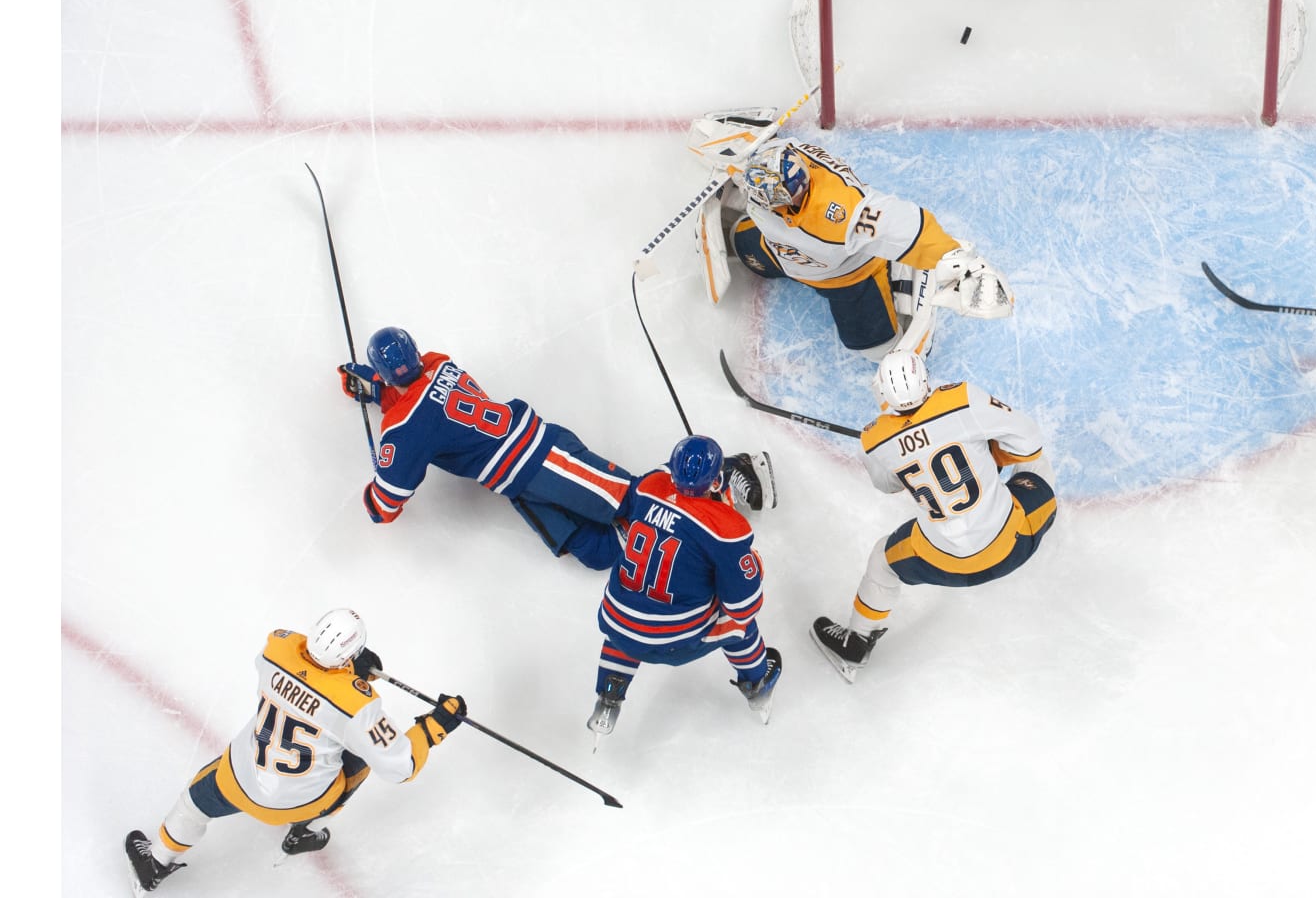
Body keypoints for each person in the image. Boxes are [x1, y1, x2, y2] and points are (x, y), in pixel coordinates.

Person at [338, 326, 771, 568]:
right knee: (598, 553)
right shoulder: (439, 363)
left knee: (635, 500)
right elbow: (422, 402)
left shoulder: (404, 428)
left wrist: (378, 397)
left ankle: (728, 471)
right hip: (519, 478)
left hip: (542, 456)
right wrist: (377, 389)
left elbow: (385, 504)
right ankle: (665, 531)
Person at [123, 609, 466, 893]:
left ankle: (156, 862)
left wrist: (343, 667)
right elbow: (401, 766)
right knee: (364, 755)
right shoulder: (357, 704)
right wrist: (435, 725)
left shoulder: (276, 650)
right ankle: (305, 831)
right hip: (304, 801)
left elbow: (297, 652)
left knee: (195, 802)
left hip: (240, 781)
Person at [810, 351, 1058, 682]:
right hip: (1013, 544)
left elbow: (888, 485)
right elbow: (1029, 442)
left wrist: (902, 451)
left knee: (883, 560)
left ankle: (855, 644)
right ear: (925, 379)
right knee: (1036, 466)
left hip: (944, 562)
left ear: (882, 392)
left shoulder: (874, 439)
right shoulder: (961, 398)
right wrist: (990, 455)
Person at [689, 113, 1014, 357]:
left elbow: (903, 224)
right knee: (742, 245)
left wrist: (958, 260)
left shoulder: (842, 212)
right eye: (794, 188)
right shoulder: (773, 162)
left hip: (848, 275)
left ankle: (888, 270)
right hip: (782, 251)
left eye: (801, 181)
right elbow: (748, 157)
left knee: (876, 350)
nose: (803, 186)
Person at [587, 435, 783, 739]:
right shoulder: (725, 529)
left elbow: (663, 477)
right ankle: (757, 683)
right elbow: (743, 606)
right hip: (677, 642)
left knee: (628, 621)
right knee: (737, 625)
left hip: (616, 622)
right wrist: (753, 564)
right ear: (716, 480)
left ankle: (609, 694)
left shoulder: (647, 487)